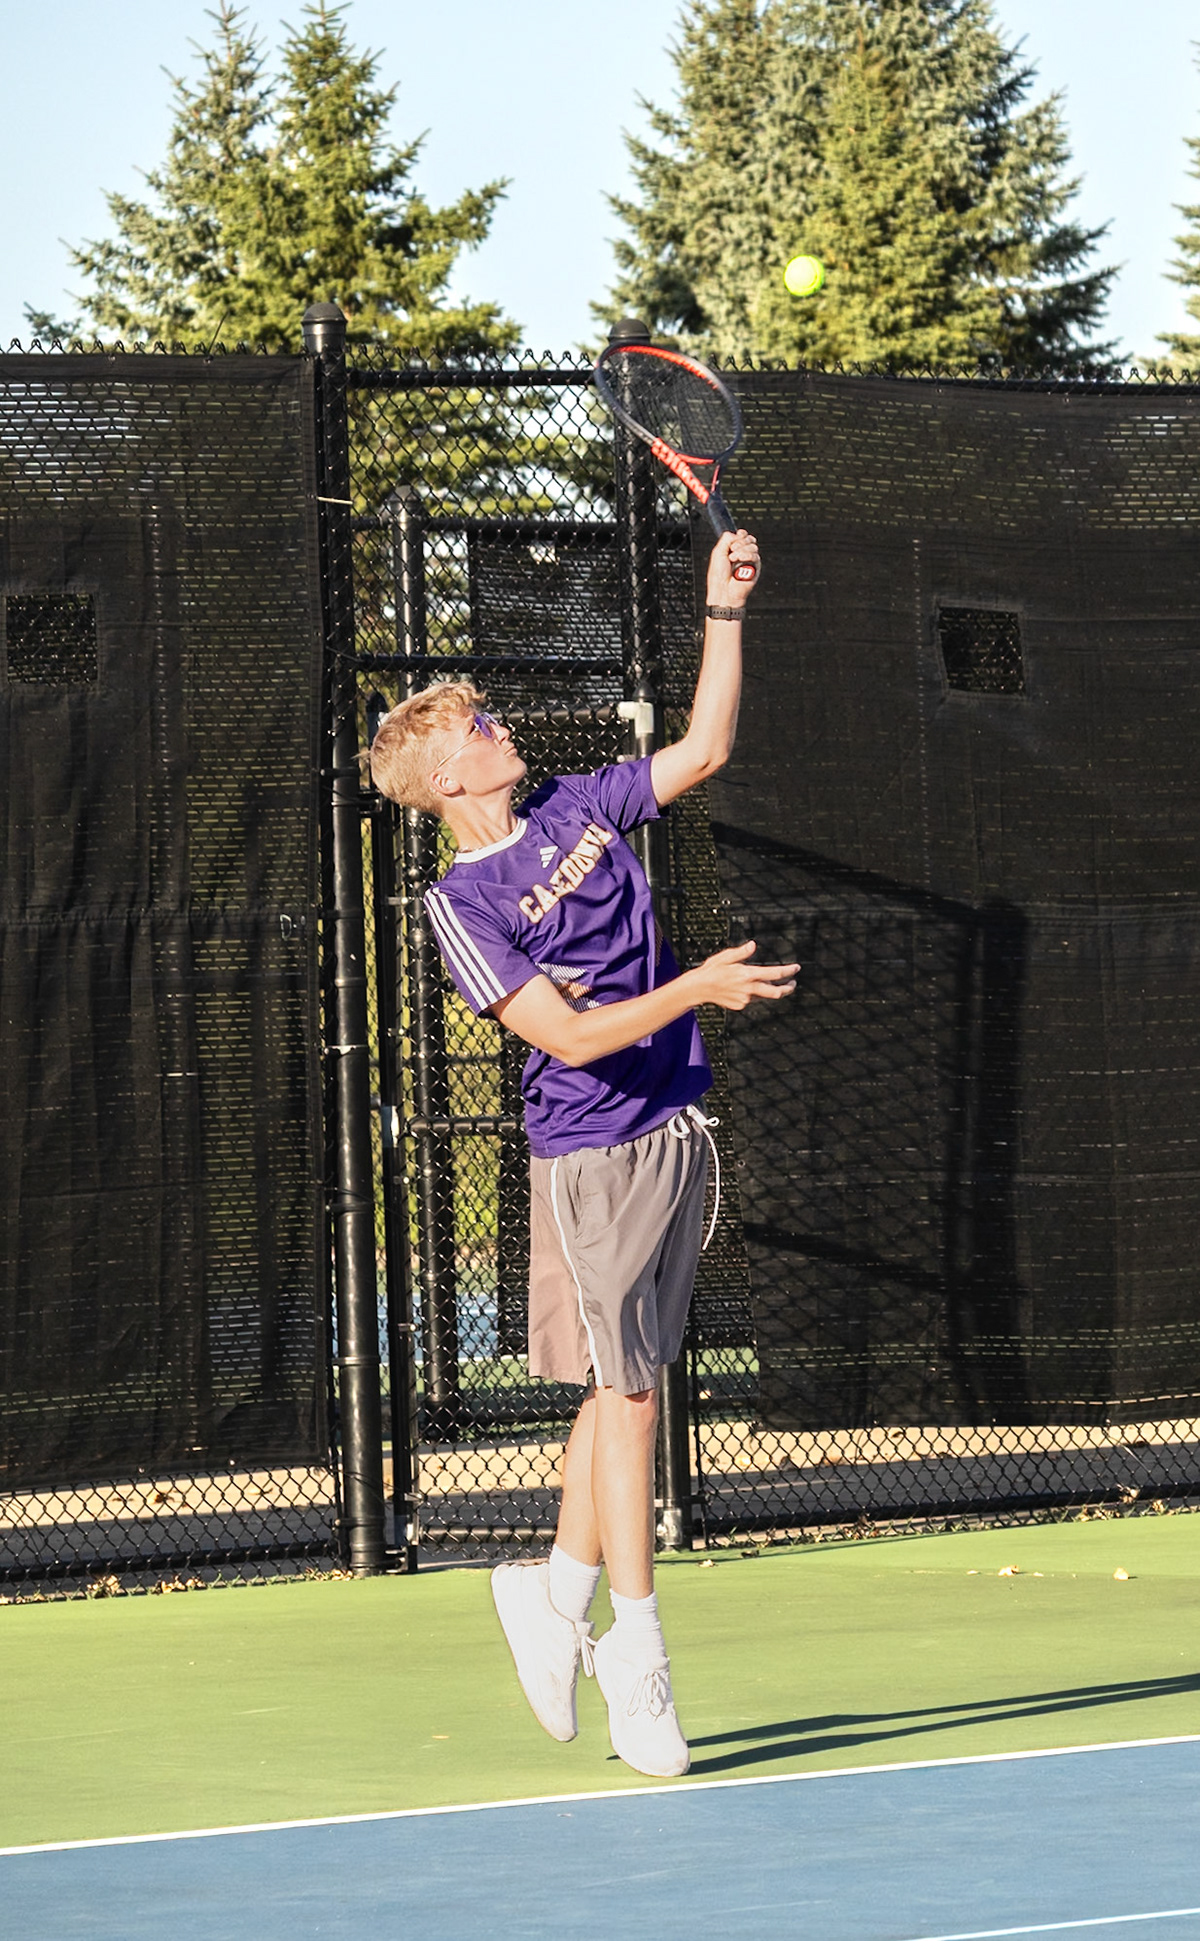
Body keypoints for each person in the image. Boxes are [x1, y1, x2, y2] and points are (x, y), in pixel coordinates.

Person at [368, 529, 798, 1778]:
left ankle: (550, 1596)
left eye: (488, 713)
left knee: (627, 1380)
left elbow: (704, 750)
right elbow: (571, 1031)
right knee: (633, 1399)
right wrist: (701, 986)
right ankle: (639, 1653)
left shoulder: (574, 803)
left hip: (673, 1130)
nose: (500, 726)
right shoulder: (462, 906)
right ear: (446, 778)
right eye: (478, 726)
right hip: (594, 1155)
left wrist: (721, 615)